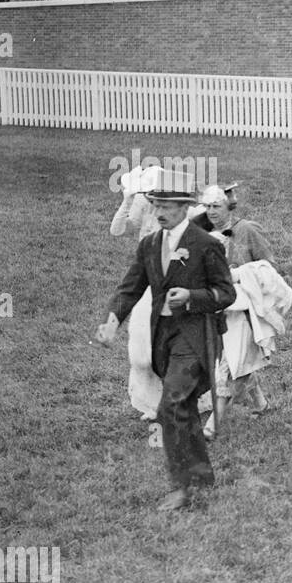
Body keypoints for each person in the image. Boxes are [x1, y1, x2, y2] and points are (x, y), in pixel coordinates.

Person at [95, 172, 236, 512]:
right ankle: (202, 477)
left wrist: (192, 296)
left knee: (170, 405)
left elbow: (226, 293)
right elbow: (130, 287)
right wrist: (113, 321)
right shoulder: (149, 244)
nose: (160, 212)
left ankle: (183, 487)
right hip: (164, 337)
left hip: (196, 336)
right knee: (183, 407)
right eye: (157, 204)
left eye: (168, 206)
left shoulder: (207, 245)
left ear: (185, 208)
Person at [194, 184, 286, 439]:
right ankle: (260, 403)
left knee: (231, 366)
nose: (211, 211)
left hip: (247, 309)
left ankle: (211, 426)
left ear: (228, 206)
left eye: (217, 206)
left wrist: (240, 275)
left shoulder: (247, 229)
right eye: (208, 206)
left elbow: (270, 267)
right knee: (237, 357)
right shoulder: (201, 234)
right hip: (218, 309)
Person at [109, 164, 165, 421]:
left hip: (168, 280)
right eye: (147, 192)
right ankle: (151, 402)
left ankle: (176, 400)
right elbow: (117, 230)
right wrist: (127, 199)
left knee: (165, 343)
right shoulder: (142, 202)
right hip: (146, 280)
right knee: (142, 345)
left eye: (155, 191)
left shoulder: (172, 207)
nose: (152, 197)